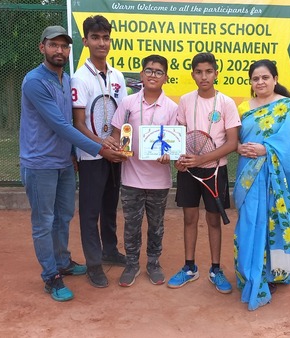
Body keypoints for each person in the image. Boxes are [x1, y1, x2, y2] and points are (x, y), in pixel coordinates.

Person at [20, 25, 106, 302]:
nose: (59, 50)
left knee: (64, 216)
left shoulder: (66, 79)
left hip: (64, 162)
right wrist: (100, 149)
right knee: (44, 221)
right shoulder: (34, 81)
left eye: (64, 46)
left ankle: (63, 261)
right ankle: (51, 276)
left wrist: (72, 153)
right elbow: (59, 124)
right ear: (41, 47)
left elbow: (70, 122)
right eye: (53, 45)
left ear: (70, 50)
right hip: (39, 163)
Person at [233, 59, 290, 311]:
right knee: (250, 223)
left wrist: (265, 149)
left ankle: (275, 273)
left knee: (273, 224)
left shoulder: (287, 108)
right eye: (255, 78)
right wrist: (239, 147)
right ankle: (252, 274)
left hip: (275, 179)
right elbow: (232, 141)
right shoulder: (243, 107)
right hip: (248, 177)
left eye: (265, 77)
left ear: (275, 79)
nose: (260, 82)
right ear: (250, 82)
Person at [167, 52, 240, 294]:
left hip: (215, 172)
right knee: (189, 219)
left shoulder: (226, 103)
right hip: (189, 171)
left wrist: (202, 158)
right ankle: (189, 267)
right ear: (193, 74)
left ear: (216, 73)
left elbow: (231, 144)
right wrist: (180, 159)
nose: (204, 76)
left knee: (213, 220)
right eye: (198, 72)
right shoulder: (186, 101)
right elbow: (178, 136)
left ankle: (216, 269)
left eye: (208, 71)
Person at [104, 54, 178, 287]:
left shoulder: (172, 108)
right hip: (131, 177)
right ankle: (132, 264)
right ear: (141, 75)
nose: (153, 75)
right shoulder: (128, 103)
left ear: (165, 77)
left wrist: (170, 156)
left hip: (159, 180)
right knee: (131, 225)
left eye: (158, 71)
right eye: (148, 70)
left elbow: (175, 144)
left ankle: (154, 263)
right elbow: (116, 134)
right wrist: (115, 147)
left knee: (156, 226)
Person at [71, 15, 128, 288]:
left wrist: (116, 144)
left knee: (109, 206)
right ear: (85, 41)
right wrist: (101, 147)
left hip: (115, 155)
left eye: (105, 37)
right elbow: (78, 123)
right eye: (95, 37)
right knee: (90, 210)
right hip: (92, 156)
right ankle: (94, 263)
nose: (101, 43)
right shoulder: (79, 78)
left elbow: (122, 118)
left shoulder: (117, 76)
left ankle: (110, 251)